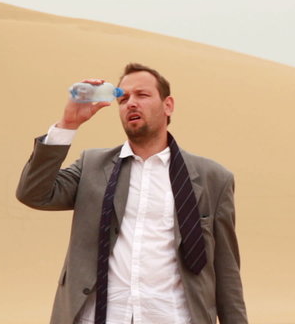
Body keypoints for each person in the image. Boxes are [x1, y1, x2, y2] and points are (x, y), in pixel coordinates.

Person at [16, 63, 248, 324]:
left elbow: (227, 272)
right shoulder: (92, 165)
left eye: (142, 95)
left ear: (168, 105)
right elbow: (34, 193)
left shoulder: (213, 178)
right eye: (123, 99)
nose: (131, 104)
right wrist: (68, 124)